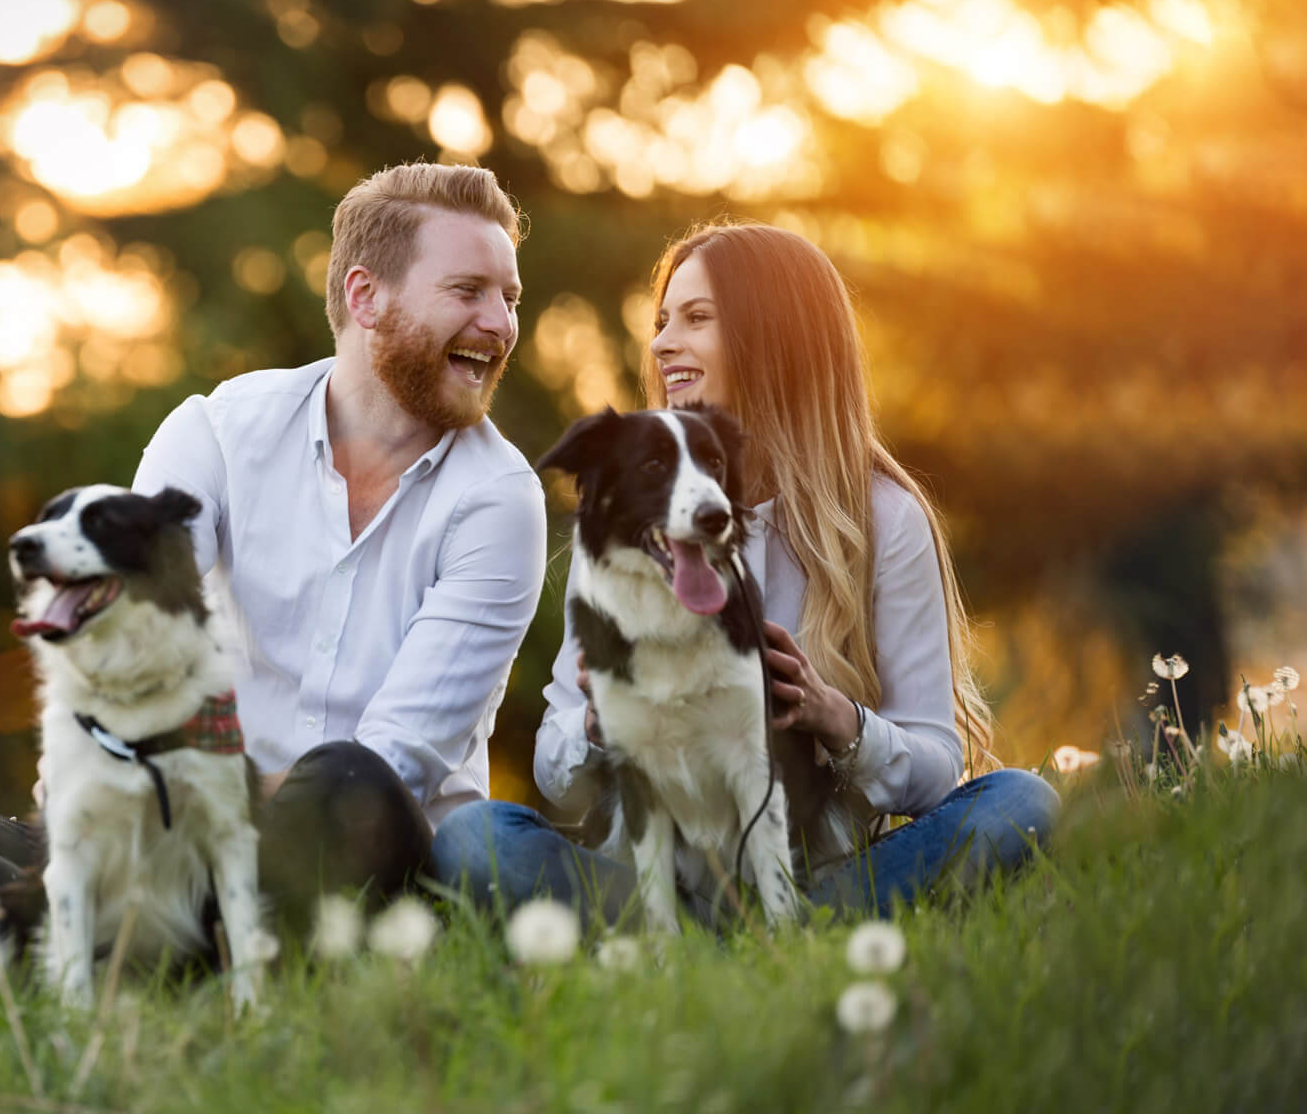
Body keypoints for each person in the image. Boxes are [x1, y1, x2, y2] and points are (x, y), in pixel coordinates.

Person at [0, 162, 547, 951]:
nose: (499, 324)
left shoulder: (497, 500)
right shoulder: (219, 431)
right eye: (468, 292)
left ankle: (61, 953)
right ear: (366, 297)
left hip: (356, 865)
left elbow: (401, 760)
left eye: (509, 299)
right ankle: (133, 954)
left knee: (352, 776)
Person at [430, 220, 1059, 925]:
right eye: (663, 321)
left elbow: (938, 769)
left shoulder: (883, 516)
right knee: (473, 839)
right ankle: (702, 937)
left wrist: (836, 719)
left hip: (824, 876)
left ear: (775, 338)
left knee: (1020, 805)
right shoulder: (628, 522)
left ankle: (771, 931)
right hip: (651, 879)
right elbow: (554, 763)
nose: (664, 343)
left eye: (696, 318)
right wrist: (598, 726)